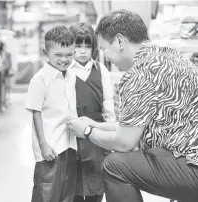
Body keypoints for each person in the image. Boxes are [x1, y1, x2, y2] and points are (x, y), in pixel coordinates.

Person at [67, 9, 198, 202]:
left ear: (120, 41)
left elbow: (124, 143)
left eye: (104, 49)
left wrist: (86, 131)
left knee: (114, 166)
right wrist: (94, 124)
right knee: (152, 153)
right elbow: (131, 125)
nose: (105, 56)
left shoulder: (139, 74)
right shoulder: (165, 56)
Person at [25, 25, 77, 202]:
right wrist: (43, 144)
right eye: (58, 55)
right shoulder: (39, 79)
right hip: (51, 148)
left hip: (69, 145)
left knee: (67, 194)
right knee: (46, 194)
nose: (64, 59)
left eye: (69, 54)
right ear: (45, 52)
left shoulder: (71, 76)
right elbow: (35, 113)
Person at [69, 23, 116, 202]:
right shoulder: (65, 71)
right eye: (78, 46)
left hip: (96, 138)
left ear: (94, 48)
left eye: (87, 46)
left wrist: (110, 138)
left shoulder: (101, 70)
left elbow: (108, 106)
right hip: (71, 137)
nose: (82, 51)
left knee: (96, 189)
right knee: (72, 189)